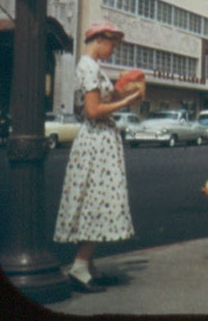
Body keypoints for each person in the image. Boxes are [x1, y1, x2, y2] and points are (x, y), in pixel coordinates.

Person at [54, 21, 142, 293]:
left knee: (98, 200)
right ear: (100, 40)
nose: (112, 51)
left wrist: (121, 89)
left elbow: (102, 100)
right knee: (97, 200)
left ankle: (87, 266)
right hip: (96, 140)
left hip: (100, 140)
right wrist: (125, 103)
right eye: (112, 45)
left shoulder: (93, 67)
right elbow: (93, 111)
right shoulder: (88, 67)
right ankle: (80, 267)